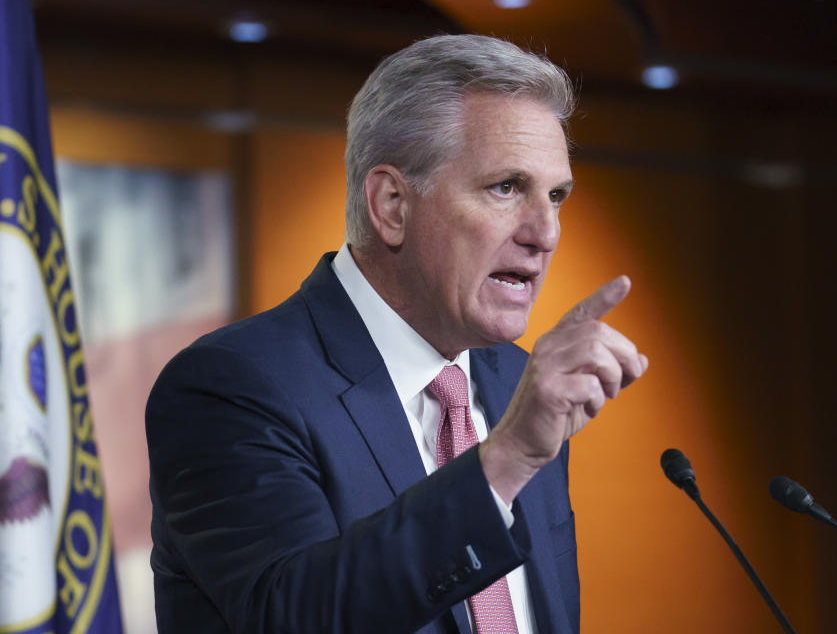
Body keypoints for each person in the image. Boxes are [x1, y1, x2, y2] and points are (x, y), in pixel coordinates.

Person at [146, 34, 647, 634]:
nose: (545, 232)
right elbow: (292, 617)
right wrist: (506, 459)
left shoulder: (516, 381)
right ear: (391, 205)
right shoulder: (231, 387)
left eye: (557, 195)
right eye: (506, 187)